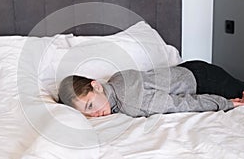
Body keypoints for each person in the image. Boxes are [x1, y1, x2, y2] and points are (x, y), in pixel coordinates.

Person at [58, 60, 244, 118]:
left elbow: (180, 105)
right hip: (187, 69)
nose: (95, 114)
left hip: (204, 81)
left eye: (90, 105)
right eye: (86, 113)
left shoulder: (131, 103)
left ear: (96, 85)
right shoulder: (116, 79)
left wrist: (225, 103)